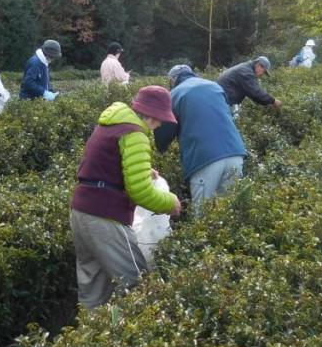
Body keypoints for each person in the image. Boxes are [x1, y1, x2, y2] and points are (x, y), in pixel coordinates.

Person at [70, 86, 183, 309]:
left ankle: (90, 337)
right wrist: (170, 203)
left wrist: (142, 170)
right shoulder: (135, 133)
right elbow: (139, 191)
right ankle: (133, 338)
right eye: (159, 119)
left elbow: (103, 164)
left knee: (94, 287)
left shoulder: (109, 124)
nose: (159, 125)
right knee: (137, 283)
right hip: (105, 217)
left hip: (81, 212)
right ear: (150, 115)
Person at [155, 64, 248, 209]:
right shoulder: (215, 86)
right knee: (227, 212)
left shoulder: (174, 94)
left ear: (173, 80)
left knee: (202, 216)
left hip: (204, 159)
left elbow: (165, 130)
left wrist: (160, 148)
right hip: (235, 153)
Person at [217, 56, 281, 117]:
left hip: (222, 98)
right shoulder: (246, 72)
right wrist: (273, 101)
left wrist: (267, 103)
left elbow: (253, 94)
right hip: (222, 100)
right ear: (259, 65)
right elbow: (255, 92)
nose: (262, 74)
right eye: (263, 72)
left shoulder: (247, 68)